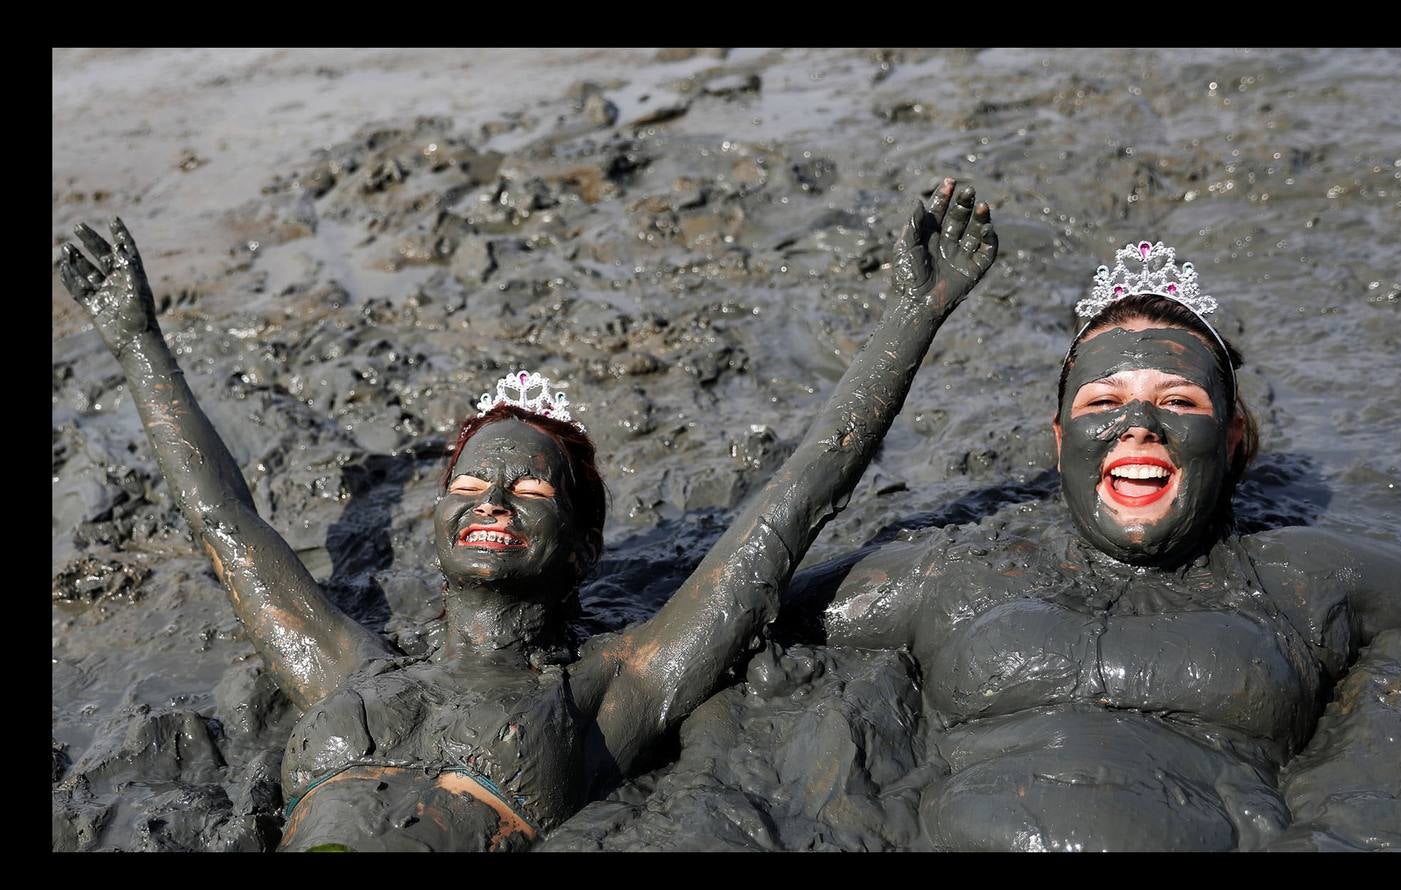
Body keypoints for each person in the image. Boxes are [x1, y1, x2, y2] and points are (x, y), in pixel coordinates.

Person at [54, 177, 998, 850]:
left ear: (583, 547)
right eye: (467, 486)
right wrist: (138, 340)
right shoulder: (340, 666)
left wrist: (916, 313)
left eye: (530, 487)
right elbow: (228, 528)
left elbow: (791, 505)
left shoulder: (611, 690)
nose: (491, 499)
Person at [783, 239, 1401, 851]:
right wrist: (905, 329)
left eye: (1178, 400)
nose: (1137, 424)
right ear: (1061, 439)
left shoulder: (1303, 579)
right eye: (1104, 401)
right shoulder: (958, 574)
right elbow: (728, 622)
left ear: (1231, 431)